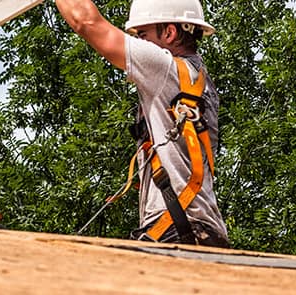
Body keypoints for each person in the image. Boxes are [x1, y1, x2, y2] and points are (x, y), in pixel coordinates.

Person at [56, 0, 229, 247]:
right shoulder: (197, 78)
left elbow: (86, 21)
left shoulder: (163, 66)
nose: (139, 42)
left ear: (169, 33)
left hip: (181, 230)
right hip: (200, 230)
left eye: (143, 35)